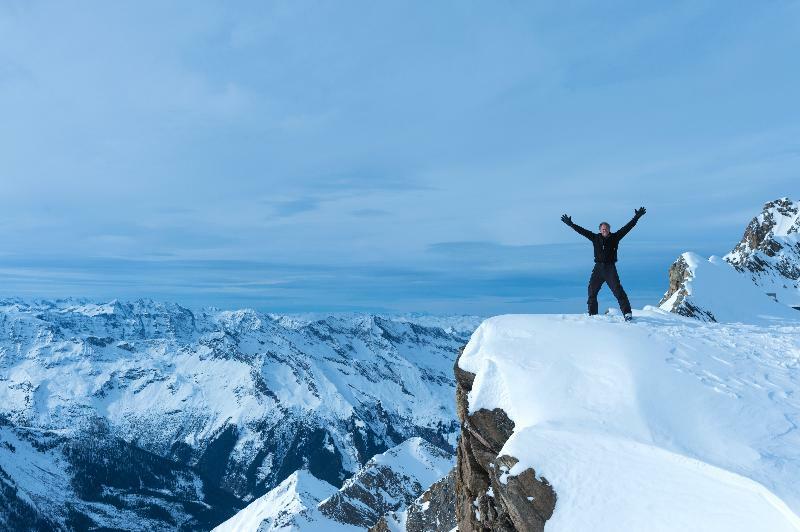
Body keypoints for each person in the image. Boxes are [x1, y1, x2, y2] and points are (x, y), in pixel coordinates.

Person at [561, 207, 646, 321]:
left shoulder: (615, 237)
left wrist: (636, 217)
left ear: (609, 229)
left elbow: (627, 227)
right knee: (591, 290)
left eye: (606, 228)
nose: (604, 230)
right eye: (602, 229)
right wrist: (571, 224)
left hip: (610, 268)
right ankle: (593, 314)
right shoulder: (595, 238)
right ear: (600, 230)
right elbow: (582, 231)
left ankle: (627, 313)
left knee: (617, 290)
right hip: (598, 268)